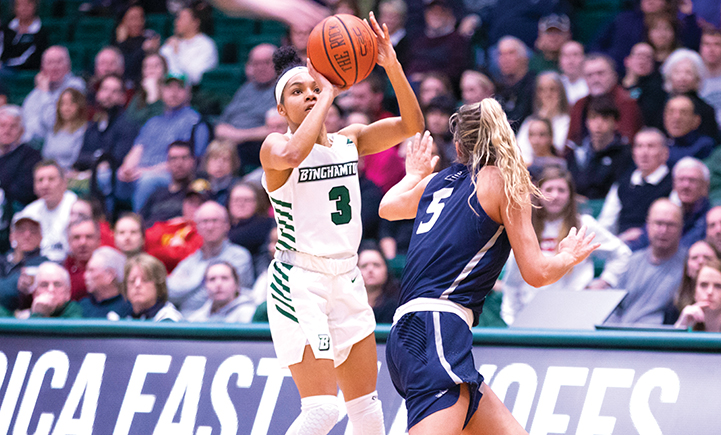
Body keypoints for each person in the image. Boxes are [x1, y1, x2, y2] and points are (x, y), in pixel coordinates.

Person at [378, 99, 597, 434]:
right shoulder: (505, 181)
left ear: (458, 146)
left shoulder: (437, 181)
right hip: (437, 328)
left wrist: (413, 175)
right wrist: (568, 256)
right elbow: (537, 273)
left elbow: (388, 207)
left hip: (408, 331)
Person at [260, 11, 423, 434]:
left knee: (367, 409)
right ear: (281, 107)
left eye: (314, 88)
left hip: (348, 277)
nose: (310, 95)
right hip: (300, 281)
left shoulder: (349, 140)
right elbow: (295, 154)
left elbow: (412, 125)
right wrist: (328, 93)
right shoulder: (274, 146)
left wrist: (391, 65)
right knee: (321, 411)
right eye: (298, 91)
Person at [501, 166, 631, 325]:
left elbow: (622, 253)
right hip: (533, 314)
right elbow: (512, 282)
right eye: (549, 189)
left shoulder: (584, 225)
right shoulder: (525, 228)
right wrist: (511, 320)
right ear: (538, 193)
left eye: (561, 190)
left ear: (570, 195)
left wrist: (605, 281)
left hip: (575, 313)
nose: (555, 196)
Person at [117, 72, 210, 211]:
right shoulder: (153, 122)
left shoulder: (195, 122)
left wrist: (144, 171)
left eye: (179, 88)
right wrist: (126, 168)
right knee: (105, 177)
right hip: (141, 172)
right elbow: (137, 149)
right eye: (169, 88)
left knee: (147, 181)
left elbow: (190, 162)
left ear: (188, 92)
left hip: (171, 175)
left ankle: (138, 221)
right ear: (162, 91)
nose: (173, 93)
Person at [605, 198, 686, 325]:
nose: (663, 230)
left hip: (662, 335)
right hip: (623, 332)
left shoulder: (689, 264)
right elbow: (613, 308)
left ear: (681, 227)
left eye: (670, 225)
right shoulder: (631, 262)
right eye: (658, 223)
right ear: (648, 225)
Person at [167, 201, 253, 313]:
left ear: (226, 225)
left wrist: (184, 297)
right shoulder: (190, 260)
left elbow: (220, 296)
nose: (210, 226)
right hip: (190, 320)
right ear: (197, 227)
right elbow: (170, 292)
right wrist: (198, 279)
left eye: (215, 221)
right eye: (205, 221)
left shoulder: (239, 256)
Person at [598, 128, 673, 241]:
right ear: (633, 153)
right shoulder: (622, 183)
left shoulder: (674, 183)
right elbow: (606, 223)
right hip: (621, 243)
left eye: (651, 146)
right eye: (639, 146)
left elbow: (674, 223)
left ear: (665, 153)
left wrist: (643, 233)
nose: (644, 153)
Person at [214, 43, 278, 170]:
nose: (261, 68)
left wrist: (240, 136)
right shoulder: (246, 89)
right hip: (231, 145)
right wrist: (232, 135)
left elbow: (277, 129)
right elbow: (220, 126)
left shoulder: (284, 89)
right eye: (256, 63)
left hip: (257, 149)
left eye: (267, 62)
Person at [566, 96, 633, 200]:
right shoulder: (576, 151)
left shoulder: (625, 154)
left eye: (605, 119)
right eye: (593, 117)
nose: (598, 124)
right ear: (586, 122)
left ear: (616, 123)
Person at [567, 54, 643, 145]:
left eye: (600, 73)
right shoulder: (580, 105)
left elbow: (628, 141)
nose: (595, 80)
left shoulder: (626, 103)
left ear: (613, 75)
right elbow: (570, 143)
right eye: (589, 75)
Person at [21, 46, 86, 144]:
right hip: (34, 144)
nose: (54, 67)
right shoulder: (35, 93)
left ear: (68, 66)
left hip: (62, 143)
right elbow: (27, 122)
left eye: (59, 62)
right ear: (42, 68)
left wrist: (44, 92)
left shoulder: (75, 86)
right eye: (50, 63)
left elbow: (52, 122)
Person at [0, 105, 42, 250]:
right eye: (2, 125)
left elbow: (25, 190)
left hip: (16, 210)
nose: (7, 130)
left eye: (13, 126)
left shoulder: (30, 155)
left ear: (22, 131)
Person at [21, 160, 78, 262]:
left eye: (51, 179)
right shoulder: (29, 212)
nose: (45, 185)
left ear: (64, 182)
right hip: (37, 263)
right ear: (34, 187)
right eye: (40, 180)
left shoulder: (75, 207)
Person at [661, 48, 719, 140]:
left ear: (698, 77)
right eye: (677, 72)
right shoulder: (659, 103)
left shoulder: (706, 110)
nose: (682, 78)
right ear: (669, 75)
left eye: (688, 73)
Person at [139, 140, 198, 227]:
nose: (179, 164)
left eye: (184, 158)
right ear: (167, 163)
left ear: (192, 161)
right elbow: (139, 222)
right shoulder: (156, 195)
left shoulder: (198, 193)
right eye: (174, 159)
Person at [159, 0, 218, 86]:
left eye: (182, 18)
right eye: (177, 18)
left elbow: (194, 78)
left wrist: (175, 54)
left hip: (193, 91)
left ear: (195, 22)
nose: (177, 22)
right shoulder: (173, 42)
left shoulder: (206, 45)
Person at [515, 71, 571, 162]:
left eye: (552, 89)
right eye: (542, 90)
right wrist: (541, 118)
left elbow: (559, 148)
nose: (547, 94)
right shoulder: (530, 121)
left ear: (561, 92)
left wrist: (546, 121)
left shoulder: (568, 121)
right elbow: (519, 151)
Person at [0, 210, 48, 312]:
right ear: (12, 236)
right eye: (21, 230)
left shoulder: (46, 264)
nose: (27, 235)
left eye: (33, 230)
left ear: (41, 237)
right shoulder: (2, 261)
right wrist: (16, 282)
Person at [665, 239, 718, 324]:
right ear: (687, 269)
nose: (701, 262)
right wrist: (682, 324)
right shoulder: (674, 306)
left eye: (707, 258)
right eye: (694, 258)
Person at [227, 181, 275, 275]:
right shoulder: (228, 226)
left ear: (258, 202)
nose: (241, 204)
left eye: (247, 200)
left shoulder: (267, 224)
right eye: (236, 200)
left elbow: (239, 238)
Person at [186, 260, 257, 322]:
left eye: (224, 278)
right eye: (212, 279)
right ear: (205, 286)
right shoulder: (200, 316)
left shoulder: (248, 313)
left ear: (236, 284)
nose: (218, 284)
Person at [123, 253, 183, 321]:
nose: (137, 284)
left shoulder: (168, 319)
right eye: (132, 281)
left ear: (158, 285)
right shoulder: (121, 316)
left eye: (145, 280)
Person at [622, 42, 667, 130]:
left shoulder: (657, 90)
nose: (643, 61)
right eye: (639, 56)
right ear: (627, 61)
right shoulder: (616, 86)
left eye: (648, 57)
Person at [111, 4, 161, 83]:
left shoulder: (149, 39)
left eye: (141, 18)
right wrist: (121, 43)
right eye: (132, 18)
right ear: (123, 22)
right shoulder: (118, 44)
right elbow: (125, 69)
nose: (138, 22)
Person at [79, 246, 133, 319]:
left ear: (109, 276)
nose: (85, 276)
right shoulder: (81, 306)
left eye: (91, 270)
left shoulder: (129, 309)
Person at [495, 36, 535, 131]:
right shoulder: (498, 89)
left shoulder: (535, 86)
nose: (505, 59)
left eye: (511, 53)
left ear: (524, 58)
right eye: (501, 54)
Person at [663, 95, 716, 167]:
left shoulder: (705, 146)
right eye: (671, 112)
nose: (676, 118)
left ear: (696, 120)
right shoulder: (660, 143)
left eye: (684, 113)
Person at [42, 88, 88, 171]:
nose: (66, 108)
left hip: (70, 173)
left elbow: (77, 159)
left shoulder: (83, 130)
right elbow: (46, 155)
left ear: (79, 105)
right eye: (63, 104)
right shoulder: (53, 129)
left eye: (71, 103)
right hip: (50, 172)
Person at [674, 259, 721, 331]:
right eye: (704, 285)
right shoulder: (687, 317)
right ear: (694, 292)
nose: (710, 292)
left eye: (718, 286)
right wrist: (682, 325)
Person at [0, 0, 48, 71]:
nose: (23, 8)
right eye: (19, 5)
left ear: (35, 7)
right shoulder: (5, 28)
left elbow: (34, 58)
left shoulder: (41, 32)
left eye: (28, 5)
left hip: (25, 71)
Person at [358, 243, 399, 324]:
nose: (370, 269)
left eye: (376, 265)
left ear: (386, 269)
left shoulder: (399, 303)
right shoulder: (346, 303)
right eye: (364, 266)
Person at [63, 217, 102, 301]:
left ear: (98, 240)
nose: (83, 243)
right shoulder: (61, 270)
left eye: (89, 237)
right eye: (76, 237)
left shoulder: (110, 269)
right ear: (69, 241)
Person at [125, 53, 167, 124]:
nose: (151, 70)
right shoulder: (138, 97)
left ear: (165, 70)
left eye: (156, 66)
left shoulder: (171, 94)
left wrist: (153, 97)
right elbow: (130, 121)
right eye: (147, 67)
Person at [199, 140, 241, 205]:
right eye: (215, 158)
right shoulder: (198, 187)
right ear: (206, 162)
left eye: (225, 159)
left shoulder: (239, 188)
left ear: (233, 163)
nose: (219, 165)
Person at [699, 28, 721, 125]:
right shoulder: (693, 77)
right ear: (700, 47)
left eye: (717, 44)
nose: (711, 49)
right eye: (707, 44)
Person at [559, 41, 589, 106]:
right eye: (566, 56)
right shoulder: (557, 84)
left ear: (584, 58)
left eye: (575, 55)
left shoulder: (590, 84)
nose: (571, 61)